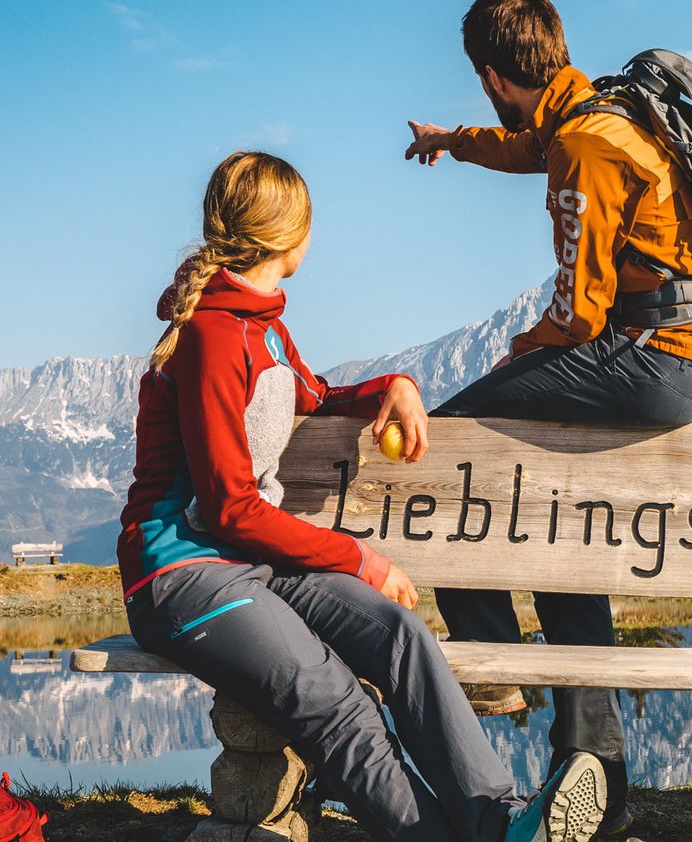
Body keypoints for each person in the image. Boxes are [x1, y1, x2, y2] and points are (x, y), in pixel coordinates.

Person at [116, 150, 607, 842]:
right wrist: (358, 558)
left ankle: (496, 822)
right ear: (293, 236)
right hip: (184, 574)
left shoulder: (263, 327)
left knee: (400, 637)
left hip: (249, 561)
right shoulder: (212, 336)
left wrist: (392, 386)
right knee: (332, 699)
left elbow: (317, 398)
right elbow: (227, 506)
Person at [403, 0, 692, 836]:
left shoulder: (587, 147)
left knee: (446, 444)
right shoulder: (601, 112)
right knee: (562, 534)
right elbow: (529, 147)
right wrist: (454, 143)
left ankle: (492, 666)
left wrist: (527, 349)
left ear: (490, 74)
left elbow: (580, 314)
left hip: (656, 361)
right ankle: (595, 777)